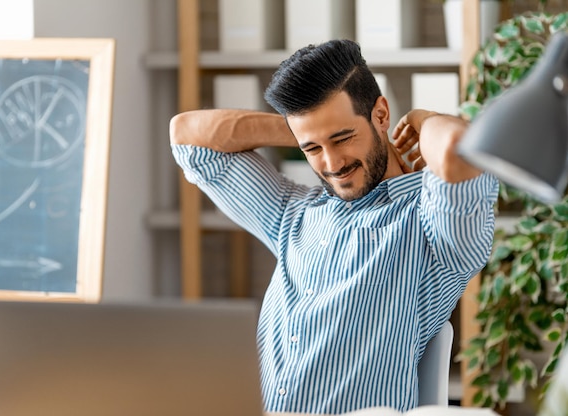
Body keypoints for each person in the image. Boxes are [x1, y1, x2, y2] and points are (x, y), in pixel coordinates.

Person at [170, 39, 498, 414]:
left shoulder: (428, 226)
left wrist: (423, 121)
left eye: (343, 138)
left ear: (381, 115)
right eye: (312, 149)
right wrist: (305, 130)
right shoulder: (294, 212)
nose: (332, 163)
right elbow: (187, 137)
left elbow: (458, 148)